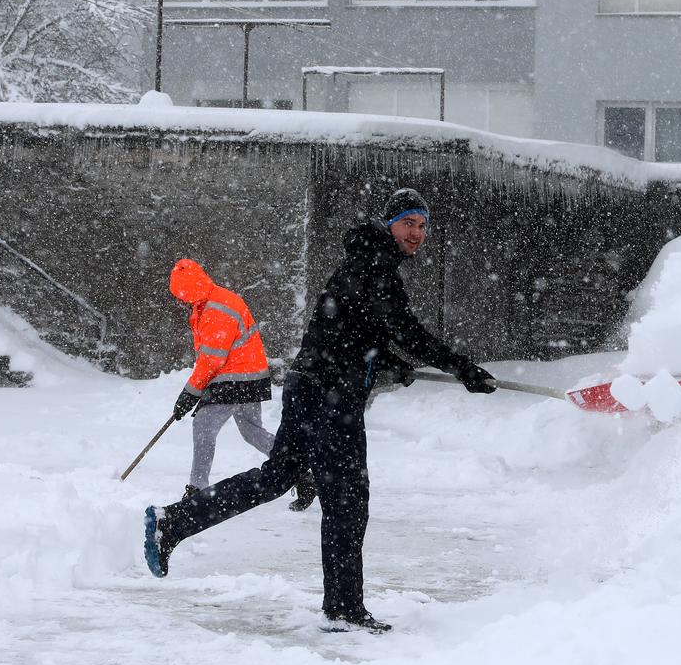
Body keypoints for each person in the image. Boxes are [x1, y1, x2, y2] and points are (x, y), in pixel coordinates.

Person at [144, 188, 498, 633]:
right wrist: (462, 368)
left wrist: (388, 366)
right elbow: (401, 328)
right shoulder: (376, 265)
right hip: (331, 397)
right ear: (389, 224)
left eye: (423, 225)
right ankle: (345, 609)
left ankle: (173, 522)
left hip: (312, 387)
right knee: (348, 500)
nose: (417, 233)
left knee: (277, 478)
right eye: (409, 222)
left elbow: (353, 330)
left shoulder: (367, 261)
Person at [166, 258, 275, 496]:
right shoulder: (209, 301)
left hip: (235, 376)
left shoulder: (215, 309)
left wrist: (189, 394)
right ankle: (296, 465)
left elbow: (211, 360)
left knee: (203, 425)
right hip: (250, 374)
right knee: (250, 429)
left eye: (180, 294)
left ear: (189, 289)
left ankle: (197, 489)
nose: (179, 300)